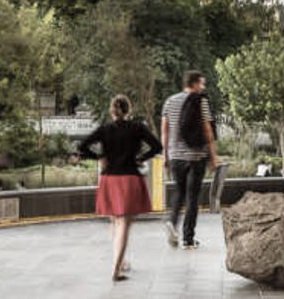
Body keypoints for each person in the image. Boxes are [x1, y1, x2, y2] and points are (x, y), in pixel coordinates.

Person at [77, 95, 164, 281]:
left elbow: (82, 146)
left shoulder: (105, 129)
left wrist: (99, 157)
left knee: (116, 222)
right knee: (124, 223)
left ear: (112, 111)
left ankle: (121, 261)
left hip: (109, 179)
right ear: (128, 110)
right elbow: (157, 146)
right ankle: (116, 269)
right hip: (129, 179)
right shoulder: (137, 128)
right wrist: (140, 158)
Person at [160, 71, 219, 249]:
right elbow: (207, 129)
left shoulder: (170, 102)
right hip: (196, 156)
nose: (203, 87)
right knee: (192, 197)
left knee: (179, 192)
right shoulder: (200, 100)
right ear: (194, 84)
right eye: (202, 84)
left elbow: (164, 131)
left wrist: (165, 155)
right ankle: (188, 239)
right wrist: (213, 155)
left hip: (176, 156)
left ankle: (172, 222)